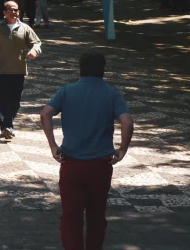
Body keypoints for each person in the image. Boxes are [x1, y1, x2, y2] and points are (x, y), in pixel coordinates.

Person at [40, 52, 134, 250]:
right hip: (101, 164)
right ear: (103, 70)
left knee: (70, 216)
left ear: (80, 68)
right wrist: (122, 149)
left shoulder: (66, 91)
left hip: (71, 162)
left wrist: (53, 145)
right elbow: (127, 121)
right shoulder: (112, 94)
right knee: (97, 216)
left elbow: (46, 113)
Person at [0, 0, 42, 140]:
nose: (13, 12)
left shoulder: (25, 28)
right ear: (4, 13)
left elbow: (36, 43)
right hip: (1, 71)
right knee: (4, 99)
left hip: (19, 70)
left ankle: (9, 123)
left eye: (16, 10)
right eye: (10, 10)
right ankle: (6, 127)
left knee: (15, 101)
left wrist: (34, 51)